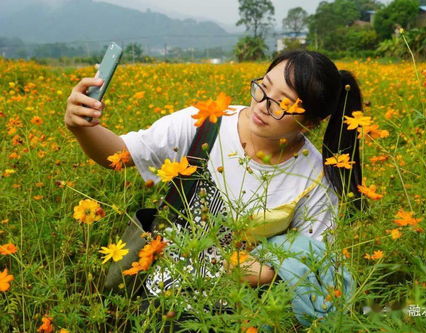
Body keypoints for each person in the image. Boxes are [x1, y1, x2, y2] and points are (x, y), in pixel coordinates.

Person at [64, 50, 364, 328]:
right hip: (162, 299)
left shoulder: (314, 175)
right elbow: (119, 153)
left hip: (240, 313)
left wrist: (259, 271)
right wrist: (82, 127)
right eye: (263, 86)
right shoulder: (207, 122)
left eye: (283, 103)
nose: (262, 104)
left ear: (312, 121)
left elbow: (316, 257)